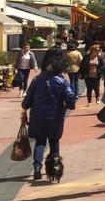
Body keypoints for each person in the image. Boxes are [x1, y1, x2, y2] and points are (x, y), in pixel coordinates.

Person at [21, 48, 76, 182]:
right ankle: (55, 167)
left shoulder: (37, 80)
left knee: (40, 142)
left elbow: (27, 99)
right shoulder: (62, 81)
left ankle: (37, 168)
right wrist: (69, 105)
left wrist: (25, 107)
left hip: (38, 116)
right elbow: (70, 97)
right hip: (56, 116)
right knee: (54, 141)